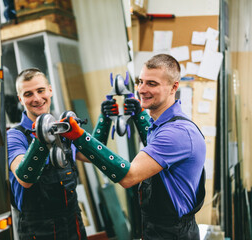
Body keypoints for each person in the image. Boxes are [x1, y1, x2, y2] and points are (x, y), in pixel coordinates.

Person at [60, 54, 206, 239]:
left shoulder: (176, 133)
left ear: (173, 87)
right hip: (157, 228)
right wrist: (126, 116)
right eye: (140, 82)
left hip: (173, 233)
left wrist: (80, 137)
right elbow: (150, 146)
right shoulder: (160, 125)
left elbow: (129, 177)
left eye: (152, 84)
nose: (141, 90)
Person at [7, 68, 91, 240]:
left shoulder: (62, 129)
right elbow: (25, 178)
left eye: (40, 90)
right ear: (20, 99)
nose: (37, 98)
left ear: (50, 90)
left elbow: (91, 156)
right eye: (28, 94)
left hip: (72, 220)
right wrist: (42, 139)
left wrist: (104, 120)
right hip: (38, 228)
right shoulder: (15, 136)